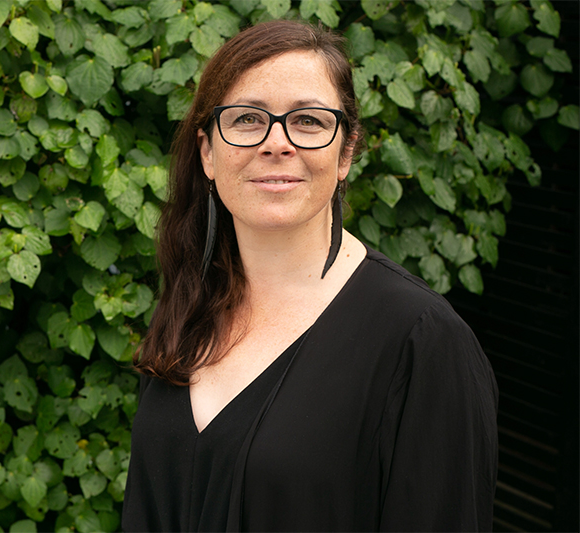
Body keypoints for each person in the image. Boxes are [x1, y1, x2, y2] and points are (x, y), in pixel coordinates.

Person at [121, 20, 498, 532]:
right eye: (248, 119)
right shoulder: (192, 301)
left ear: (345, 152)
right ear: (208, 152)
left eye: (309, 121)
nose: (277, 142)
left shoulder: (422, 342)